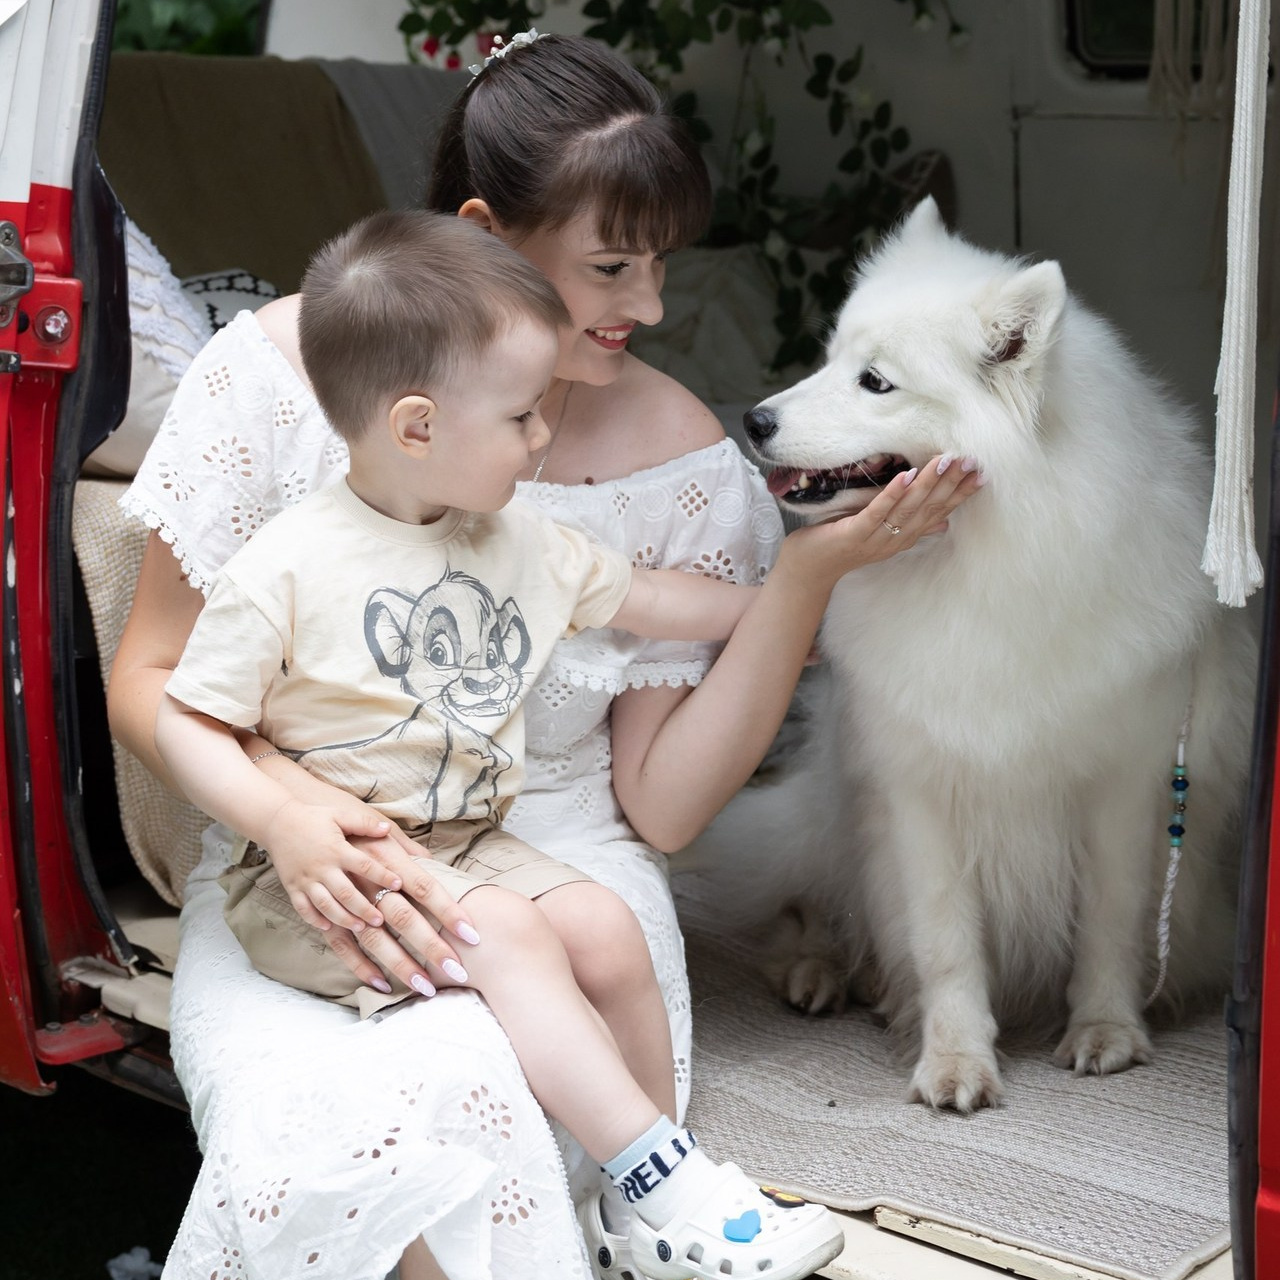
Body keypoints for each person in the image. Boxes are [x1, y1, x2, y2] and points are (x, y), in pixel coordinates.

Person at [109, 33, 982, 1280]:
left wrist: (802, 576)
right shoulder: (275, 378)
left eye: (662, 262)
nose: (651, 307)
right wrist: (300, 822)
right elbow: (153, 678)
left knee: (480, 1090)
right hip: (298, 856)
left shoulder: (676, 458)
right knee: (349, 1143)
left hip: (555, 861)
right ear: (484, 234)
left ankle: (652, 1195)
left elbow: (663, 806)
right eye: (610, 266)